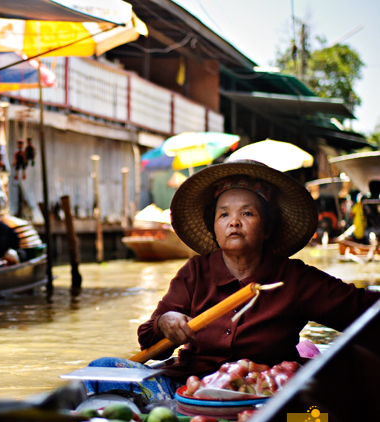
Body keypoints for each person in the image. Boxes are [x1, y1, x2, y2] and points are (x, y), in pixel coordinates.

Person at [85, 160, 380, 402]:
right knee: (100, 370)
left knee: (317, 406)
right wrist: (166, 323)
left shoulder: (293, 278)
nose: (234, 222)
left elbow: (364, 311)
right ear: (215, 227)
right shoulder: (195, 271)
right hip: (188, 391)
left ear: (266, 229)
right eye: (223, 214)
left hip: (263, 394)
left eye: (247, 213)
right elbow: (150, 342)